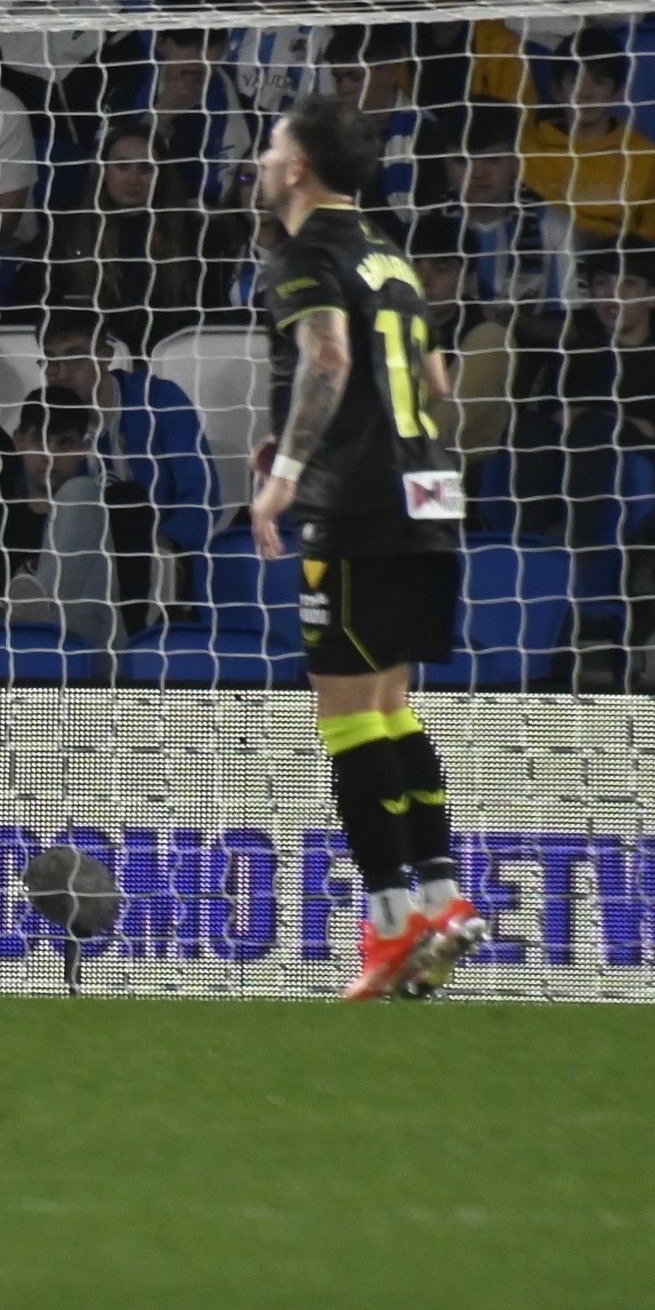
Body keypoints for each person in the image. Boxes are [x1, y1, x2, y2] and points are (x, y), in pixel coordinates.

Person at [246, 92, 489, 999]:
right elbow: (435, 379)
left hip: (358, 503)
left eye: (272, 149)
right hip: (429, 493)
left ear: (300, 168)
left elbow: (331, 358)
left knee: (347, 714)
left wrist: (288, 473)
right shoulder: (392, 253)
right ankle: (443, 900)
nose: (264, 163)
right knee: (392, 703)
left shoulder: (304, 253)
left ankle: (389, 926)